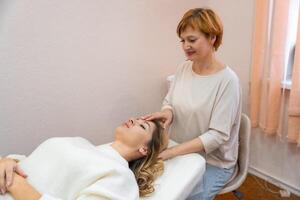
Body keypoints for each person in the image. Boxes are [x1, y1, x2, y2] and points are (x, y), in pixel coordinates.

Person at [143, 8, 242, 200]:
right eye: (183, 40)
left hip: (213, 162)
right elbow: (169, 101)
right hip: (180, 150)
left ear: (212, 37)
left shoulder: (228, 81)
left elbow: (217, 136)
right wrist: (167, 112)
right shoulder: (184, 68)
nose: (186, 46)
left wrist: (172, 153)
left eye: (192, 39)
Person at [0, 117, 167, 200]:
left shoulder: (121, 177)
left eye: (142, 125)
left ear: (144, 149)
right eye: (136, 118)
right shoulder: (82, 143)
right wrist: (8, 161)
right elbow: (33, 162)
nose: (133, 120)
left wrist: (15, 183)